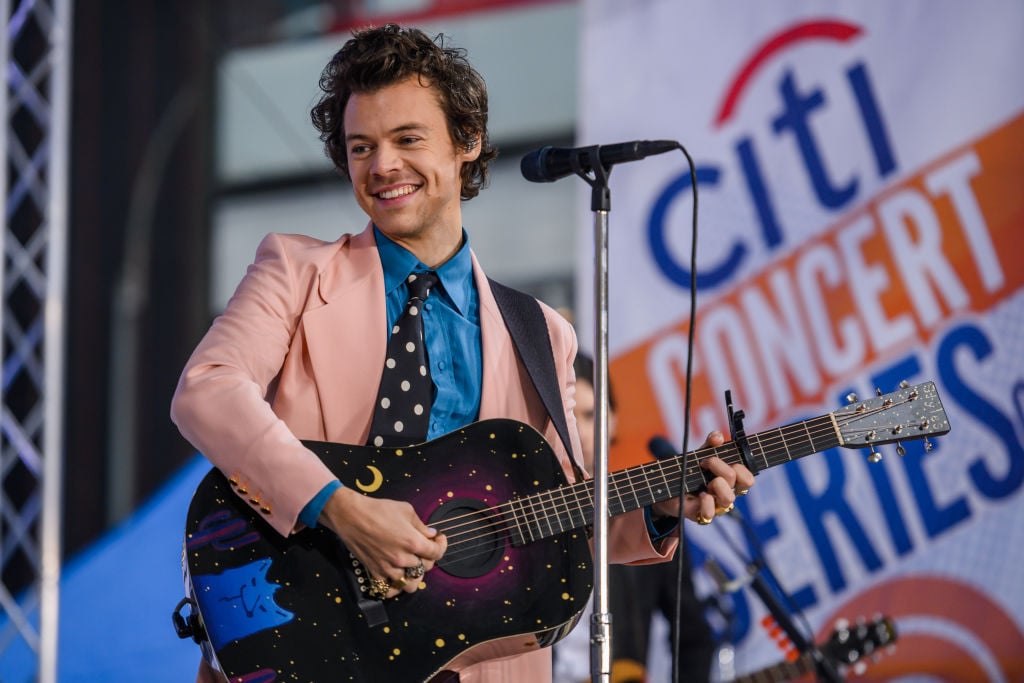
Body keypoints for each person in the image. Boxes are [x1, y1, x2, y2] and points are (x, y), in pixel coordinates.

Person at [170, 24, 753, 683]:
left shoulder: (541, 332)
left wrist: (659, 507)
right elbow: (206, 390)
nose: (382, 165)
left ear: (467, 143)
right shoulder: (293, 270)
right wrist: (338, 504)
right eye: (362, 147)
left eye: (407, 139)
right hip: (307, 647)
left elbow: (556, 516)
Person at [553, 353, 717, 683]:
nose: (582, 432)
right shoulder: (526, 511)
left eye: (591, 415)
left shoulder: (651, 516)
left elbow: (693, 638)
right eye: (570, 416)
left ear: (612, 420)